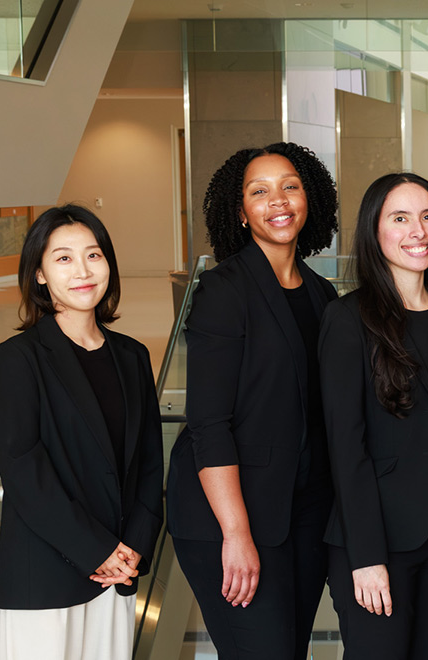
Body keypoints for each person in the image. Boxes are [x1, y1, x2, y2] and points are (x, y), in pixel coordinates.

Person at [165, 142, 341, 659]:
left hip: (301, 514)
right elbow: (208, 423)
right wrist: (236, 533)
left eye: (290, 186)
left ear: (309, 199)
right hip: (231, 517)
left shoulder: (321, 293)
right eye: (258, 191)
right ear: (240, 213)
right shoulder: (224, 289)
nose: (278, 200)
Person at [0, 205, 164, 660]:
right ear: (40, 274)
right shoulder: (19, 358)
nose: (83, 271)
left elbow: (147, 464)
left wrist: (133, 549)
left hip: (117, 574)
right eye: (63, 258)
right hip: (47, 574)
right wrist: (99, 551)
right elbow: (24, 471)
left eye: (94, 255)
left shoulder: (132, 355)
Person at [320, 172, 428, 658]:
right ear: (375, 230)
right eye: (401, 218)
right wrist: (366, 557)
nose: (419, 231)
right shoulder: (347, 320)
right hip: (378, 542)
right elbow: (346, 448)